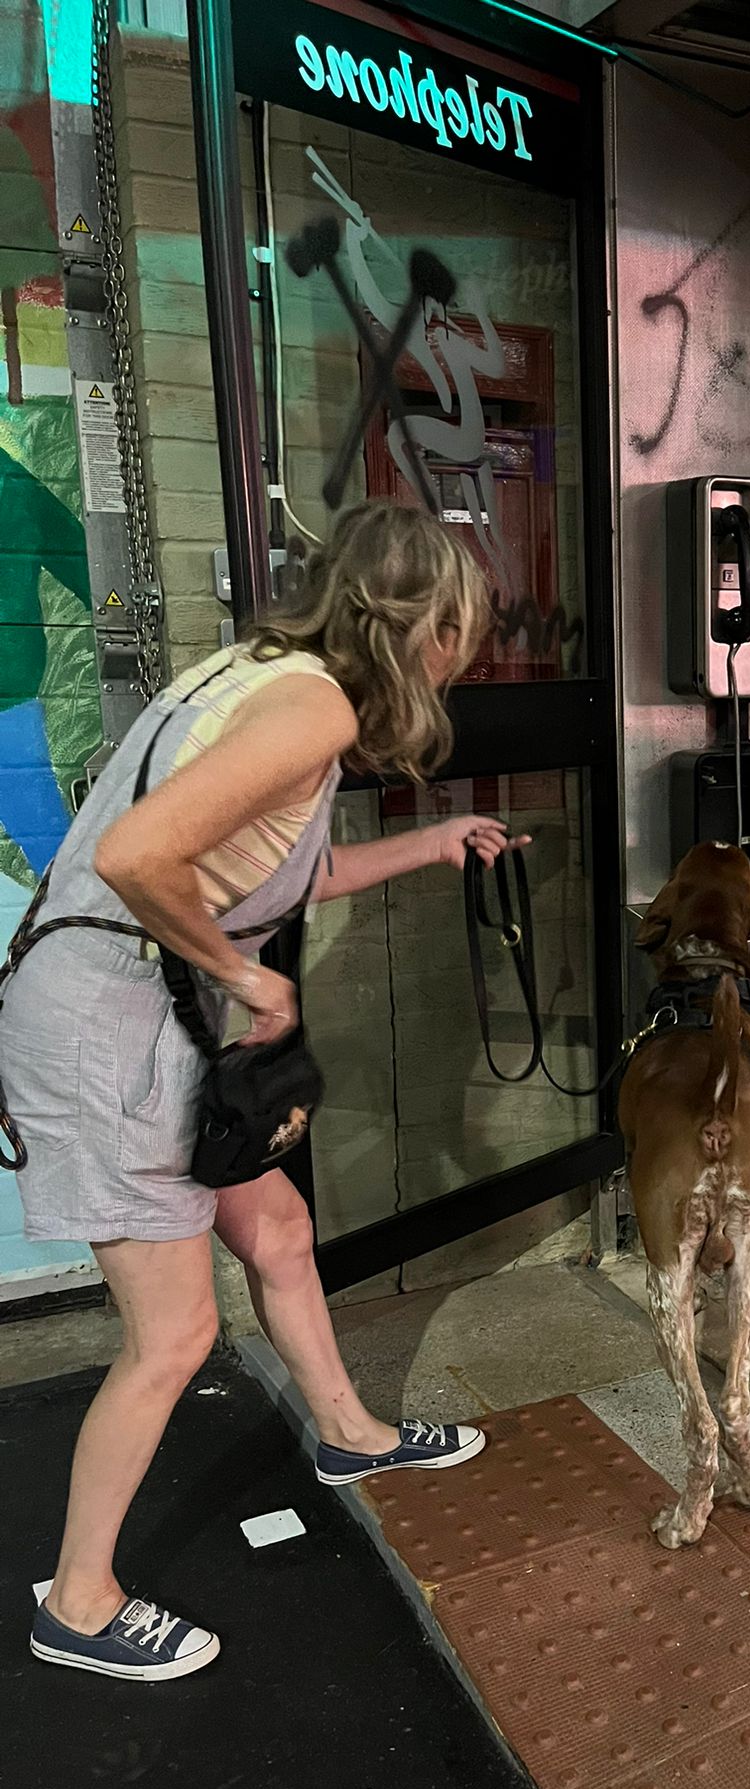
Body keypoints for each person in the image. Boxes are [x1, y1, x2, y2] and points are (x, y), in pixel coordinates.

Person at [0, 500, 510, 1683]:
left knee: (275, 1227)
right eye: (457, 631)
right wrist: (245, 976)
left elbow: (282, 867)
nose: (461, 657)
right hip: (108, 1028)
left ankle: (350, 1435)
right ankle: (76, 1603)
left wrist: (432, 845)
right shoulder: (317, 704)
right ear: (416, 622)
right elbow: (138, 859)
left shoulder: (264, 677)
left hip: (132, 1013)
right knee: (174, 1334)